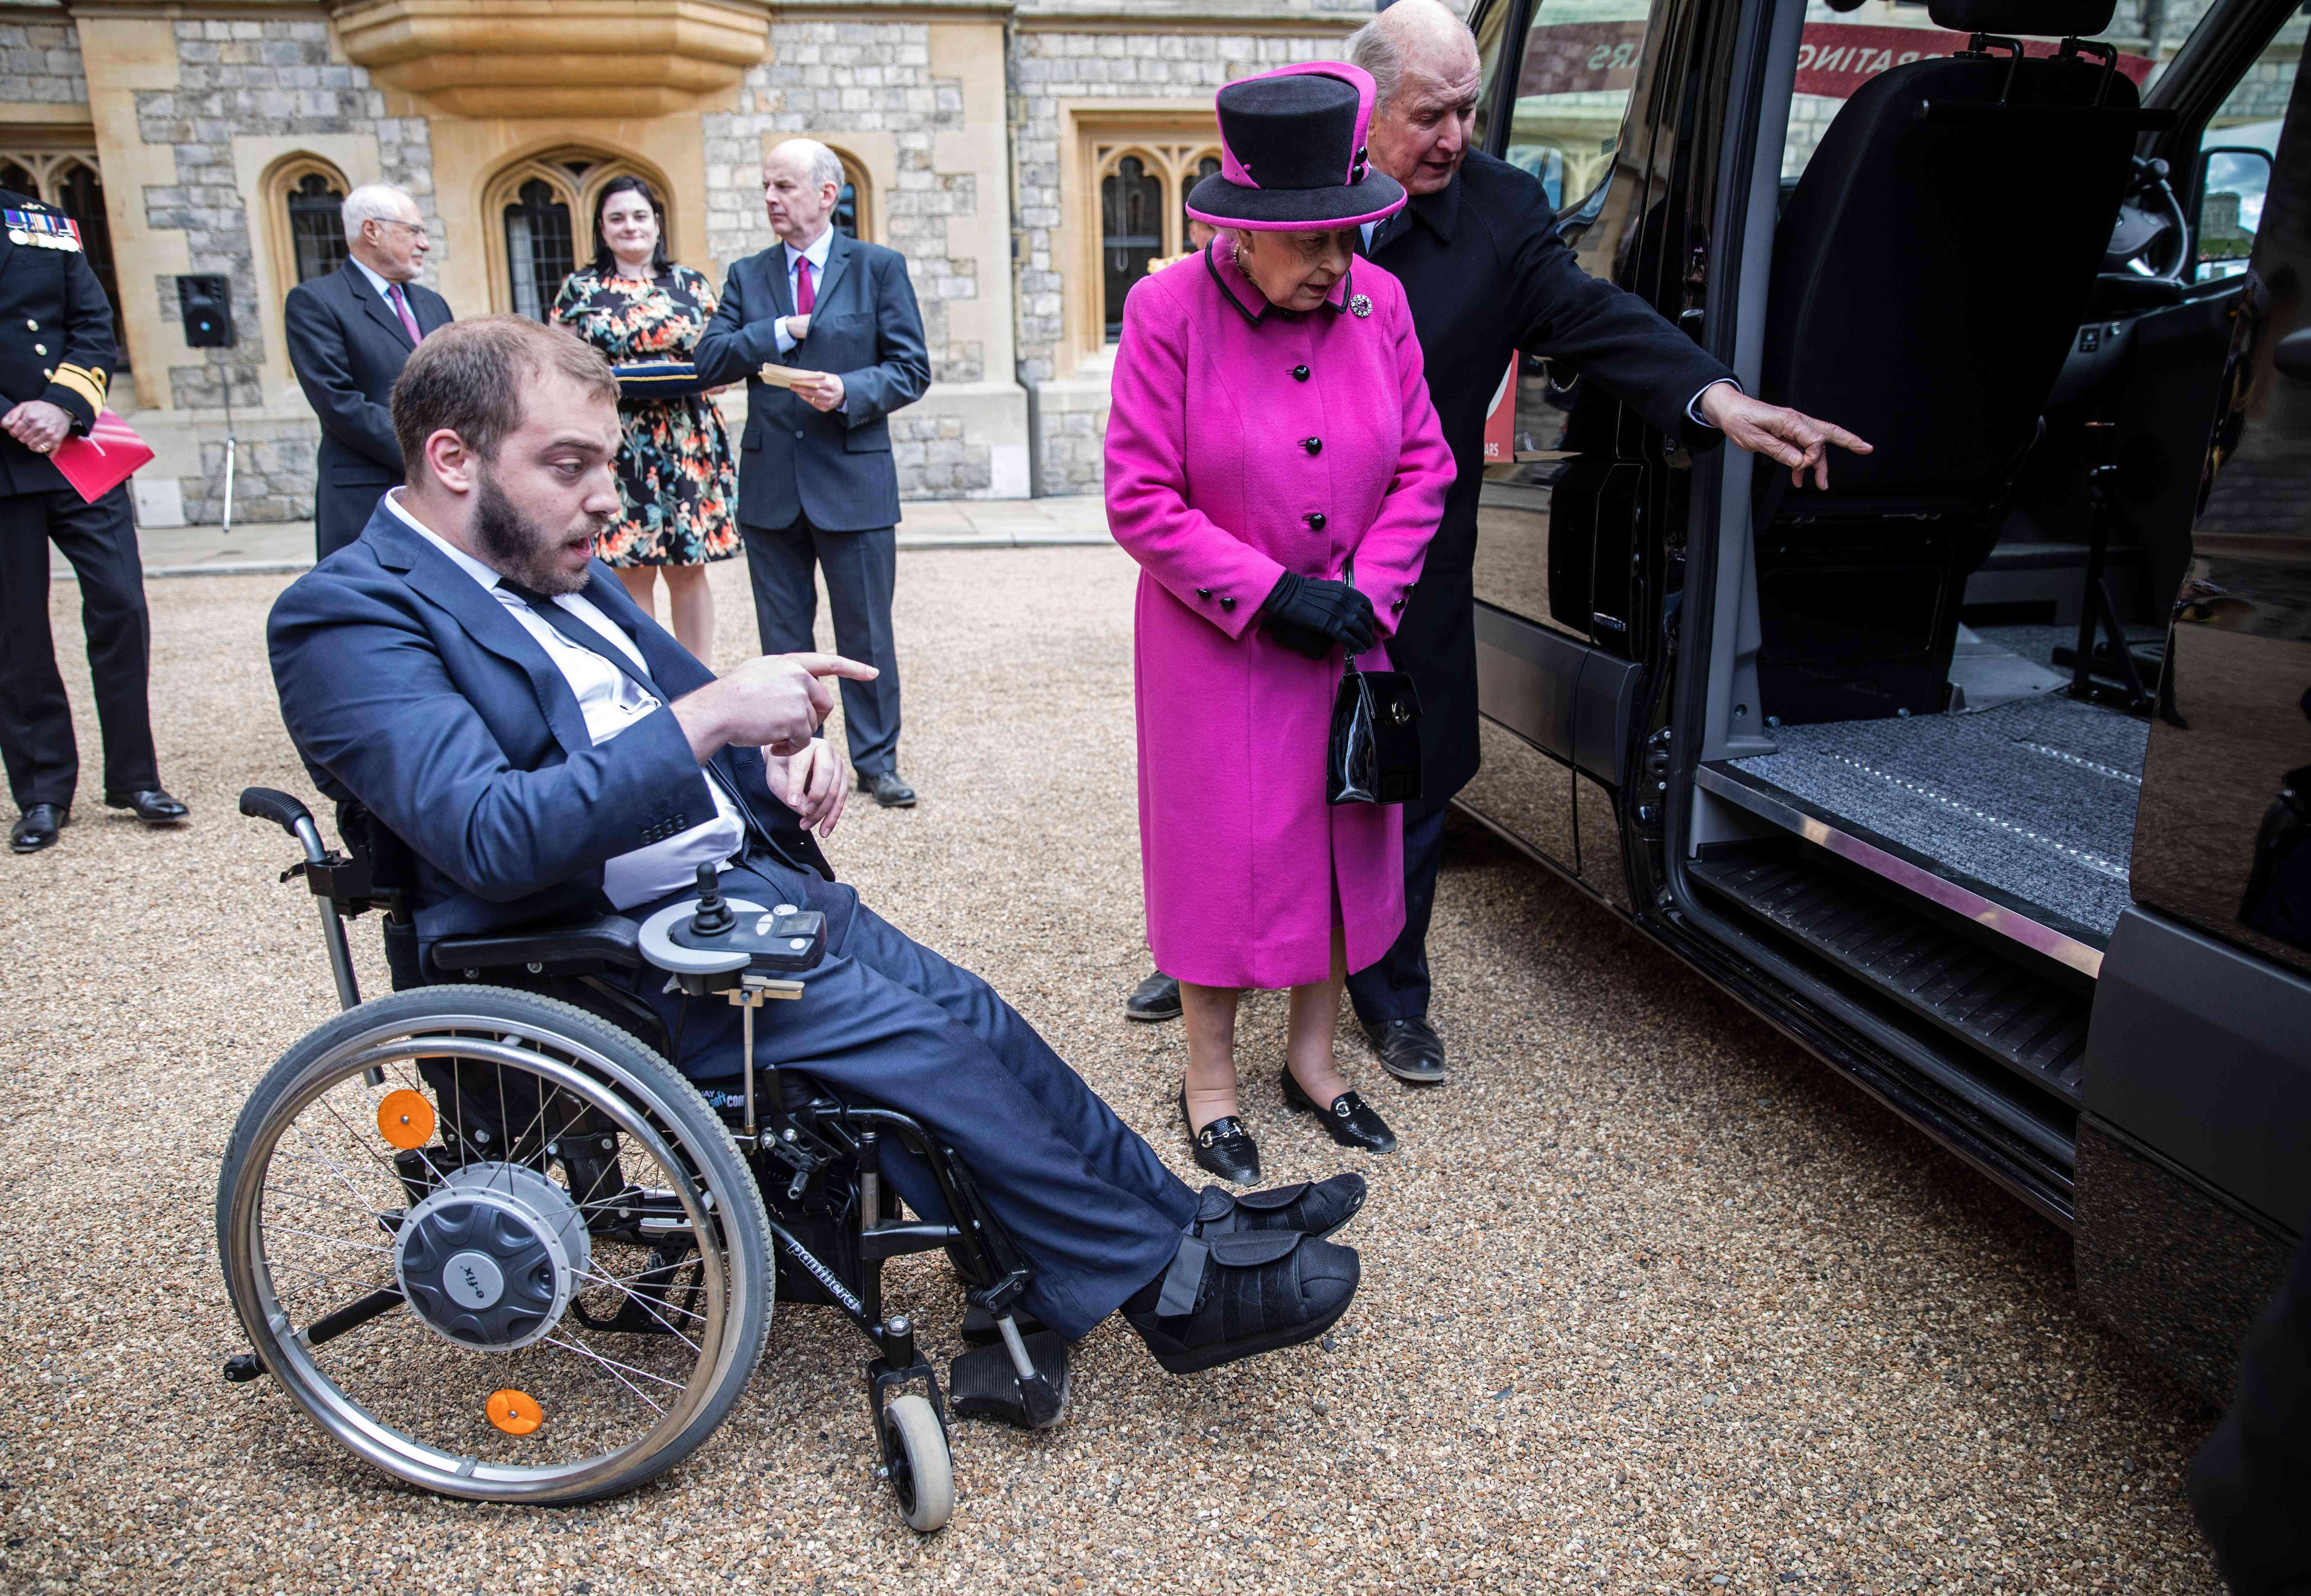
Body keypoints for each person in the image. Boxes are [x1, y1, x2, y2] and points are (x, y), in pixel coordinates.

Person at [266, 314, 1370, 1373]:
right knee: (923, 1050)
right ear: (452, 459)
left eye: (604, 462)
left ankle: (1184, 1219)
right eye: (569, 465)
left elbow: (689, 700)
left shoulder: (554, 561)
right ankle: (1164, 1289)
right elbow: (491, 834)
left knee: (968, 1009)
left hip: (723, 892)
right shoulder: (347, 616)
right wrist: (711, 723)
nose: (607, 498)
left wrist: (778, 752)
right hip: (587, 954)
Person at [1121, 0, 1872, 1084]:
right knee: (1241, 786)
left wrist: (1714, 398)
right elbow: (1148, 480)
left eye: (1467, 112)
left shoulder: (1500, 211)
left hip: (1404, 560)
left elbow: (1587, 315)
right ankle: (1222, 959)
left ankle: (1392, 994)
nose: (1455, 138)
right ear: (1362, 117)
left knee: (1396, 774)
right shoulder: (1229, 240)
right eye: (1433, 115)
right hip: (1248, 572)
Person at [1105, 63, 1455, 1185]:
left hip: (1350, 632)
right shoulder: (1166, 311)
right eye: (1309, 243)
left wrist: (1369, 585)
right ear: (1242, 233)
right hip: (1214, 648)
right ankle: (1208, 1076)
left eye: (1348, 238)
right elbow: (1139, 497)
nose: (1334, 264)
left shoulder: (1379, 303)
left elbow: (1423, 463)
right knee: (1221, 853)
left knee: (1337, 840)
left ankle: (1312, 1059)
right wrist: (1268, 592)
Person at [693, 139, 929, 809]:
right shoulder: (748, 275)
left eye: (784, 187)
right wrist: (772, 333)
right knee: (783, 637)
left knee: (866, 633)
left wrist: (849, 390)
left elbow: (911, 368)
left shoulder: (878, 268)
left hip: (853, 483)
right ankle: (797, 754)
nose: (771, 199)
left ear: (827, 195)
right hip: (772, 489)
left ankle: (877, 763)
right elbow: (708, 362)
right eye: (766, 187)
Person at [0, 186, 187, 855]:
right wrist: (13, 411)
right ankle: (44, 791)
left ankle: (135, 779)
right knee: (16, 631)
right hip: (3, 459)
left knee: (121, 604)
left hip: (77, 447)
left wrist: (58, 405)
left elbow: (92, 325)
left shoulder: (38, 222)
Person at [550, 175, 739, 661]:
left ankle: (698, 676)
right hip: (613, 444)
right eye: (617, 218)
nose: (629, 226)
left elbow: (718, 366)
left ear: (657, 223)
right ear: (601, 228)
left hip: (686, 442)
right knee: (631, 565)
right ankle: (653, 677)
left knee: (687, 565)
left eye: (639, 216)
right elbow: (559, 368)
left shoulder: (691, 285)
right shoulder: (580, 289)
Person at [284, 182, 453, 560]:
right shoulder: (316, 303)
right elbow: (339, 403)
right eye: (414, 231)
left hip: (441, 494)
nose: (424, 243)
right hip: (366, 492)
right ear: (371, 231)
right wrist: (429, 454)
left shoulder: (432, 305)